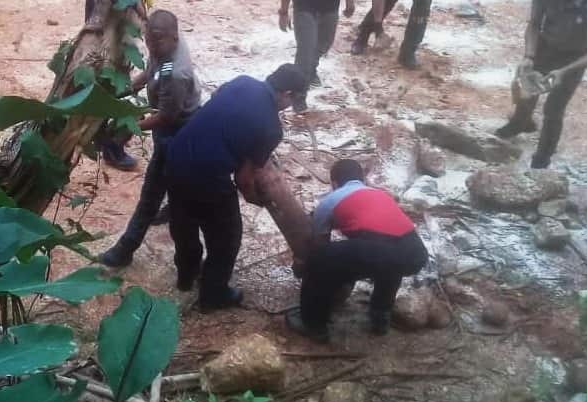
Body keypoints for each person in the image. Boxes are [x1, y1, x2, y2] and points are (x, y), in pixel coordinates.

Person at [164, 64, 308, 311]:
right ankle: (214, 293)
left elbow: (218, 98)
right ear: (288, 94)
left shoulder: (243, 81)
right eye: (294, 100)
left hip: (175, 157)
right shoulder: (272, 129)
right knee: (227, 236)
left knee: (184, 223)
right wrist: (256, 199)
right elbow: (243, 179)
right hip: (208, 176)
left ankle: (186, 275)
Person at [99, 10, 202, 268]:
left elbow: (166, 117)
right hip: (168, 124)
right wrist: (126, 90)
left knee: (150, 195)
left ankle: (126, 248)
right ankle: (172, 205)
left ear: (173, 37)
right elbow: (152, 70)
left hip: (177, 132)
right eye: (148, 39)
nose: (151, 45)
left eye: (157, 40)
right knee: (177, 188)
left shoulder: (177, 73)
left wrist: (128, 126)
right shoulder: (163, 52)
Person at [285, 159, 427, 343]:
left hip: (380, 250)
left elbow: (320, 245)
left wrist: (304, 264)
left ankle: (313, 323)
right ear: (362, 179)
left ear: (334, 183)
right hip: (415, 253)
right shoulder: (380, 194)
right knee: (391, 261)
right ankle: (381, 314)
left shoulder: (330, 201)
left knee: (318, 260)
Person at [495, 0, 587, 169]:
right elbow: (534, 24)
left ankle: (543, 157)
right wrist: (529, 56)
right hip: (546, 47)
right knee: (525, 92)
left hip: (574, 57)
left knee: (554, 110)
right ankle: (520, 123)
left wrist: (564, 71)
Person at [85, 0, 159, 171]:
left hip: (119, 35)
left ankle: (101, 135)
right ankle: (111, 148)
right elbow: (109, 12)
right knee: (115, 91)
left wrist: (146, 19)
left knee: (114, 87)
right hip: (107, 40)